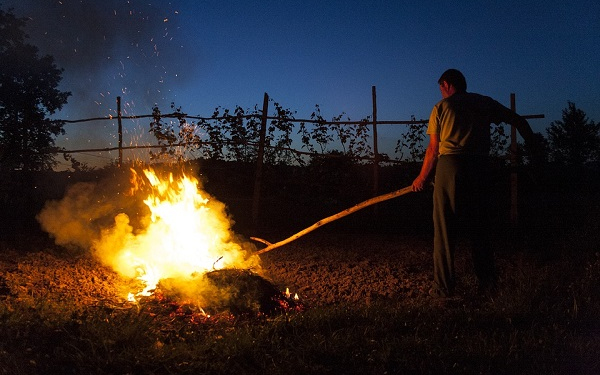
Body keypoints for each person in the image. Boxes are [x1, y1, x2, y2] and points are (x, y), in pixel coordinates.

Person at [412, 69, 536, 298]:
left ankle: (443, 288)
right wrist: (533, 145)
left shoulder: (441, 107)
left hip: (451, 166)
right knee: (480, 227)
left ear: (447, 84)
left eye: (440, 89)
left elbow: (433, 149)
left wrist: (421, 178)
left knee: (444, 229)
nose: (440, 93)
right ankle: (488, 284)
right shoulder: (483, 102)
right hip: (480, 168)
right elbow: (516, 120)